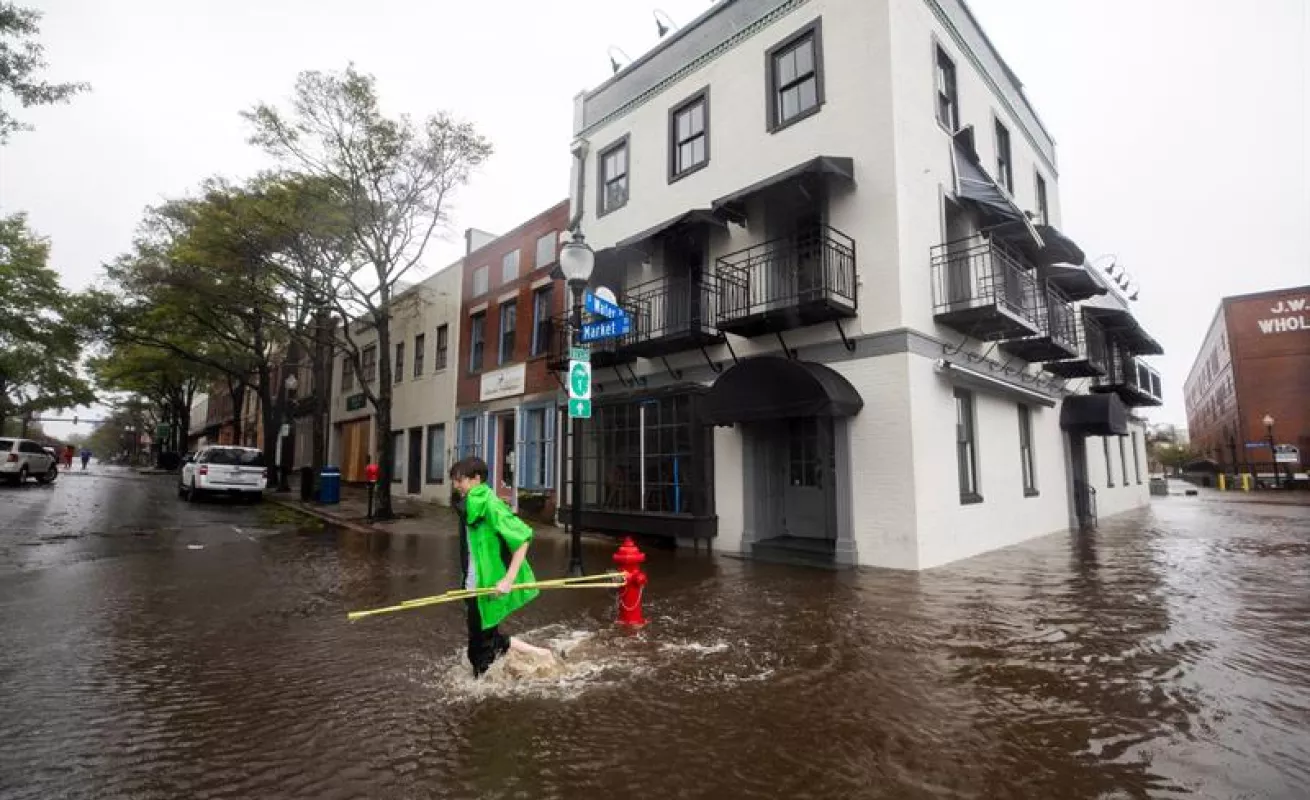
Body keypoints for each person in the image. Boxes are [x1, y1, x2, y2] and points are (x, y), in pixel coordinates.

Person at [449, 455, 553, 677]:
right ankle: (540, 654)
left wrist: (508, 580)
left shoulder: (491, 504)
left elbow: (523, 537)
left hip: (489, 586)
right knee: (485, 636)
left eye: (460, 480)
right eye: (454, 480)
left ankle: (483, 693)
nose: (456, 485)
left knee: (479, 652)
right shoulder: (469, 506)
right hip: (472, 584)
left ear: (476, 479)